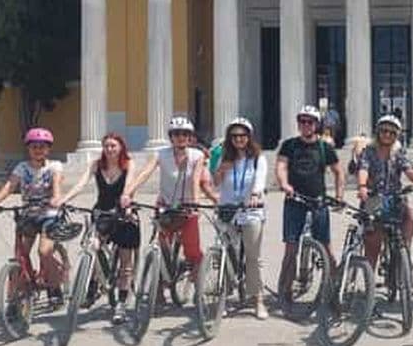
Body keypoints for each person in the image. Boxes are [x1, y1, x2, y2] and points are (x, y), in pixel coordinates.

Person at [59, 133, 140, 324]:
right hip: (102, 212)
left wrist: (126, 199)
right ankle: (93, 285)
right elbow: (80, 183)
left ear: (121, 147)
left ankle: (121, 304)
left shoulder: (129, 164)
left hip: (123, 213)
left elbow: (129, 186)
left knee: (125, 262)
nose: (110, 149)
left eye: (113, 146)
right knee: (92, 245)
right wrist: (64, 199)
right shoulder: (96, 165)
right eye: (107, 146)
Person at [0, 128, 65, 303]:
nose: (38, 150)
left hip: (49, 215)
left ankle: (55, 287)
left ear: (48, 149)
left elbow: (57, 185)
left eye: (42, 147)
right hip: (28, 215)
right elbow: (9, 186)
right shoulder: (22, 168)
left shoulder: (54, 166)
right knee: (21, 254)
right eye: (34, 146)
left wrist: (57, 198)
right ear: (29, 149)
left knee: (44, 252)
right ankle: (17, 299)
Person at [275, 105, 344, 304]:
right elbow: (281, 166)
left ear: (316, 125)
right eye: (302, 121)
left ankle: (334, 291)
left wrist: (338, 196)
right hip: (294, 201)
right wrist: (284, 183)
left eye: (310, 122)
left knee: (327, 249)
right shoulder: (289, 145)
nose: (305, 125)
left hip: (318, 201)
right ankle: (285, 291)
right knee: (291, 248)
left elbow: (339, 172)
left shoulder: (324, 147)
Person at [122, 116, 206, 275]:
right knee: (162, 246)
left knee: (192, 250)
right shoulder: (160, 154)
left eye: (184, 134)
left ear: (190, 137)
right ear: (171, 137)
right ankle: (159, 285)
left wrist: (196, 204)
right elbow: (145, 173)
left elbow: (195, 180)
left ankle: (197, 285)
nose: (180, 137)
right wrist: (127, 193)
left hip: (187, 208)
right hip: (165, 206)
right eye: (176, 134)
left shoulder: (197, 156)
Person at [357, 115, 413, 268]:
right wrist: (362, 186)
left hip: (394, 197)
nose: (387, 135)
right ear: (378, 132)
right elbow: (363, 169)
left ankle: (405, 251)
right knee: (374, 242)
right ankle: (369, 277)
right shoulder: (369, 151)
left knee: (409, 215)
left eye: (392, 132)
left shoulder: (398, 152)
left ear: (396, 135)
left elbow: (409, 170)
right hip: (373, 197)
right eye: (384, 131)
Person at [213, 117, 268, 320]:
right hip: (228, 210)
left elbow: (260, 179)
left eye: (242, 135)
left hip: (250, 211)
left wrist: (255, 194)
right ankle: (224, 296)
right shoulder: (224, 158)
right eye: (234, 136)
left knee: (253, 258)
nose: (239, 139)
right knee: (225, 254)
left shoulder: (257, 159)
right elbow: (216, 184)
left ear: (249, 137)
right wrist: (220, 170)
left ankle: (258, 299)